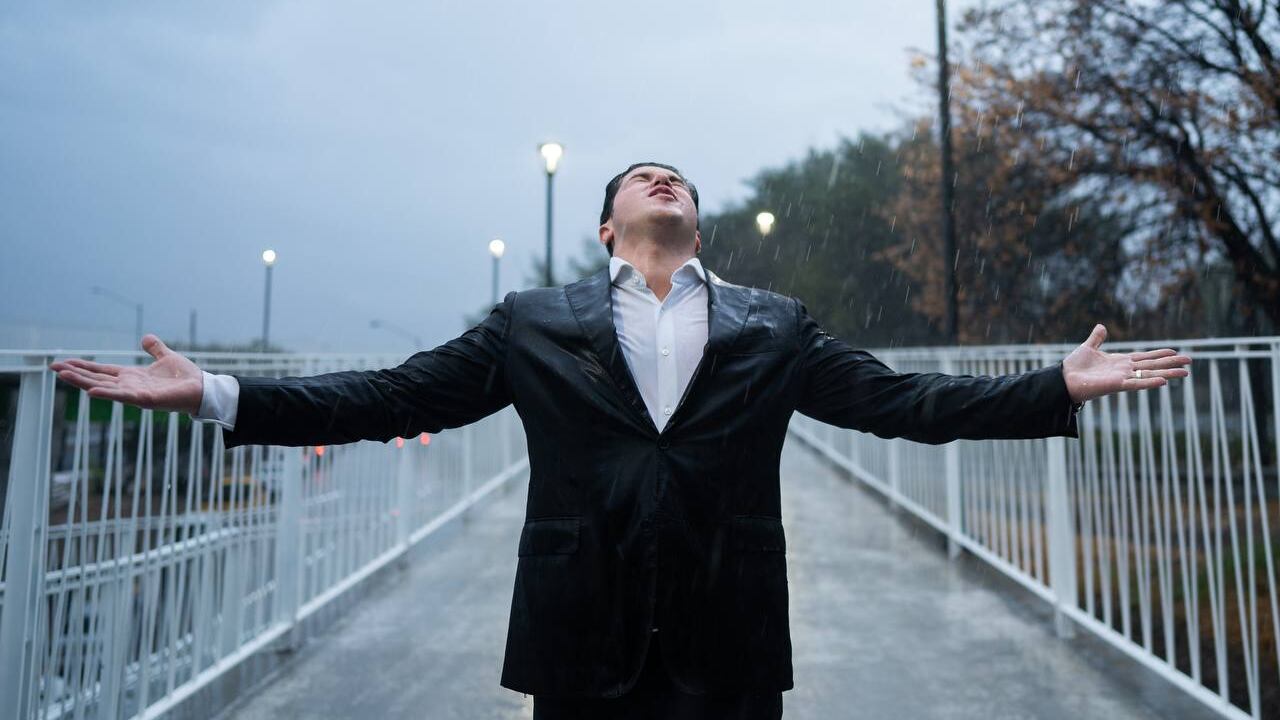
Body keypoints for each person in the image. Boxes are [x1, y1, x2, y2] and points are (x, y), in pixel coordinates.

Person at [51, 162, 1192, 719]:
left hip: (727, 628)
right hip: (579, 626)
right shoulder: (532, 323)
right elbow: (390, 397)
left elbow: (905, 406)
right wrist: (215, 393)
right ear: (608, 226)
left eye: (679, 176)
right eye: (642, 176)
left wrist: (1053, 384)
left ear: (694, 219)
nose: (664, 177)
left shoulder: (772, 323)